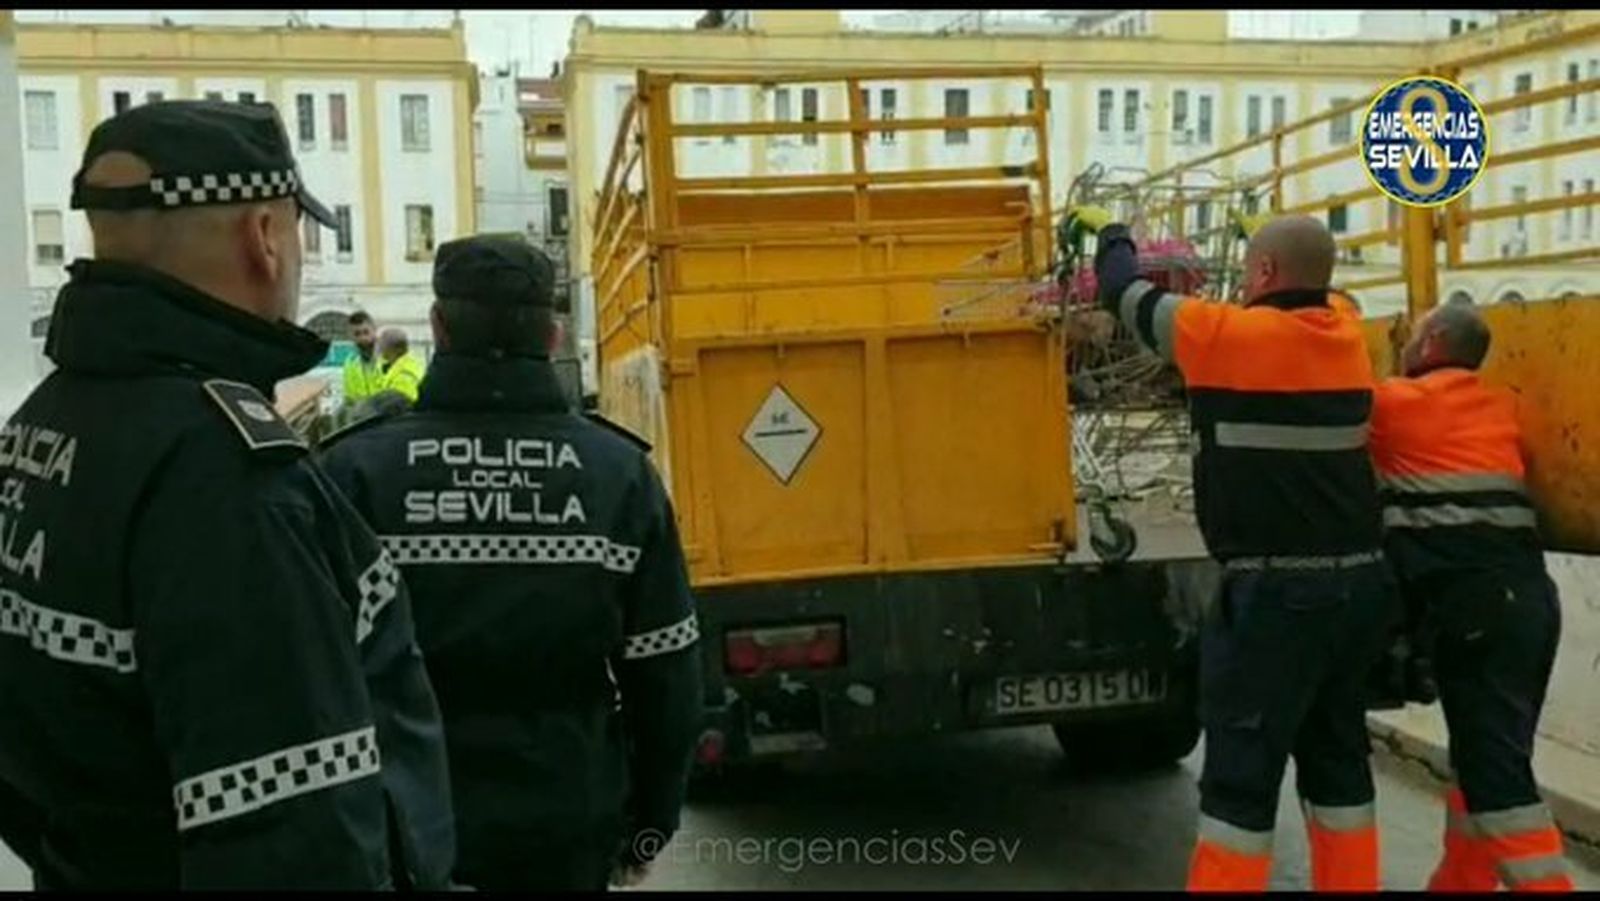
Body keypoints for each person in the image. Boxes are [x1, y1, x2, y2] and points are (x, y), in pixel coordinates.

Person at [0, 99, 455, 889]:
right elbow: (295, 833)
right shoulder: (228, 480)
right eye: (296, 228)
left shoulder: (41, 427)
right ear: (265, 238)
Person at [319, 235, 702, 892]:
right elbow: (665, 668)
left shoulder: (354, 472)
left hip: (401, 823)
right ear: (553, 335)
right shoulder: (618, 476)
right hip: (566, 817)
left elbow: (308, 669)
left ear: (438, 326)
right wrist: (649, 821)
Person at [1082, 211, 1396, 892]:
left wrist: (1110, 235)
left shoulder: (1222, 334)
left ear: (1262, 274)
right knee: (1339, 765)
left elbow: (1123, 292)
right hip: (1358, 595)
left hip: (1274, 602)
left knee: (1240, 784)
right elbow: (1318, 282)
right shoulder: (1346, 337)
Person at [1369, 303, 1574, 892]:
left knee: (1495, 775)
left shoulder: (1400, 405)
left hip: (1479, 609)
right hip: (1529, 604)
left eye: (1412, 336)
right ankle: (1460, 881)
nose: (1403, 344)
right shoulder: (1496, 406)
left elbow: (1323, 404)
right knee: (1483, 755)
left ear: (1432, 342)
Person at [342, 310, 385, 408]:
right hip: (364, 417)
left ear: (375, 330)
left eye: (366, 332)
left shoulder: (390, 355)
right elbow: (349, 400)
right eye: (357, 334)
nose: (363, 338)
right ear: (351, 336)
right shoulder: (349, 363)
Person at [377, 327, 426, 404]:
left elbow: (402, 405)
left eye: (382, 344)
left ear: (395, 348)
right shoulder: (395, 365)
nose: (379, 348)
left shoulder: (405, 374)